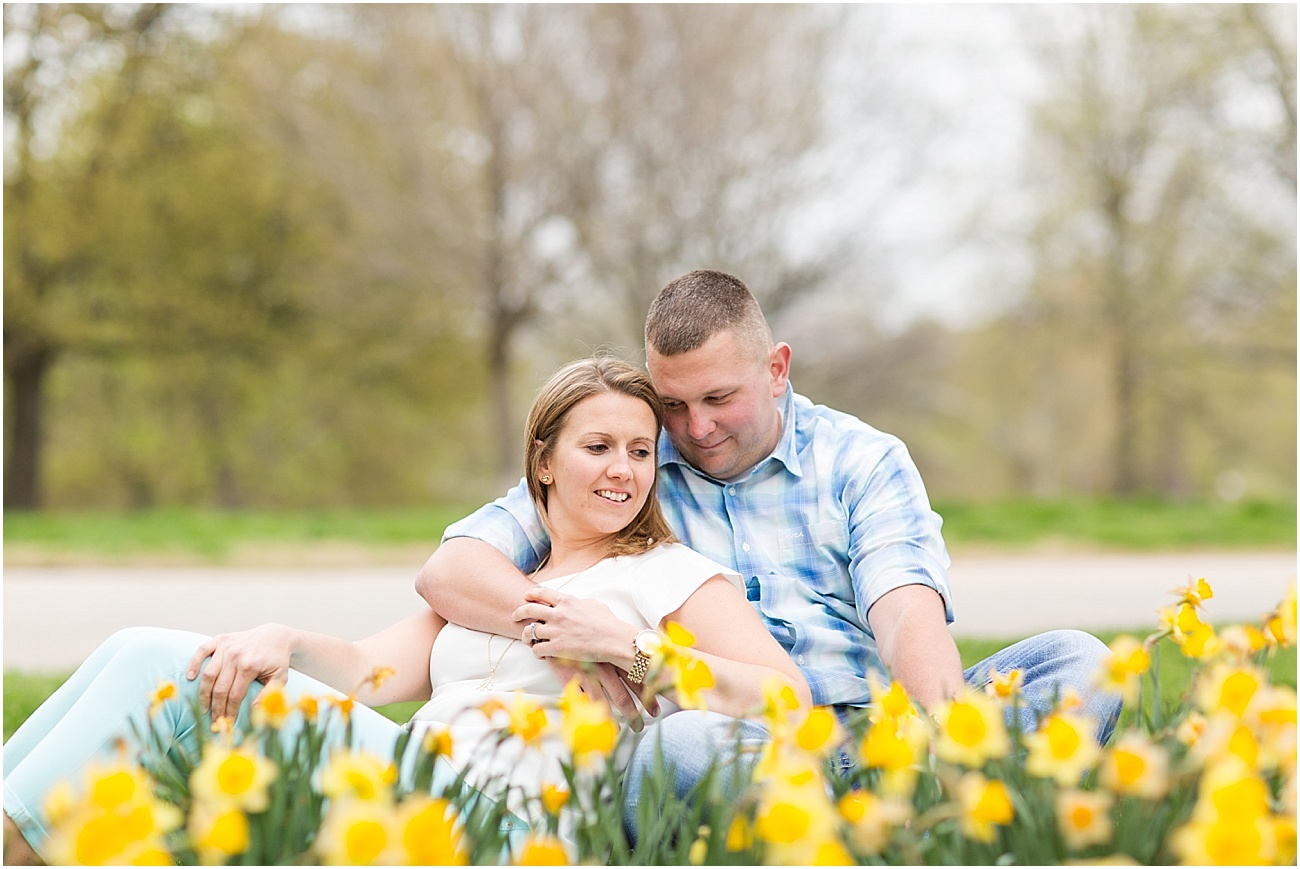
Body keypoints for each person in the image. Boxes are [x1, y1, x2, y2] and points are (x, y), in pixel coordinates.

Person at [2, 356, 808, 865]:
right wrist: (282, 638)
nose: (622, 471)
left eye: (640, 452)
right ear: (544, 459)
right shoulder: (505, 581)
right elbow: (364, 672)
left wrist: (631, 648)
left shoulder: (667, 574)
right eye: (597, 447)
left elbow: (786, 699)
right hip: (410, 782)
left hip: (508, 828)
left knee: (156, 665)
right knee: (134, 645)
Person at [416, 268, 1124, 840]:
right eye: (674, 403)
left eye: (719, 397)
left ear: (777, 367)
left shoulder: (861, 458)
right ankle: (849, 835)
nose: (695, 427)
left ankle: (928, 811)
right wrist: (582, 637)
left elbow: (906, 612)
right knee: (687, 741)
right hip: (723, 743)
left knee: (1078, 660)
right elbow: (452, 569)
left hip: (872, 735)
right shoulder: (625, 462)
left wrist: (939, 738)